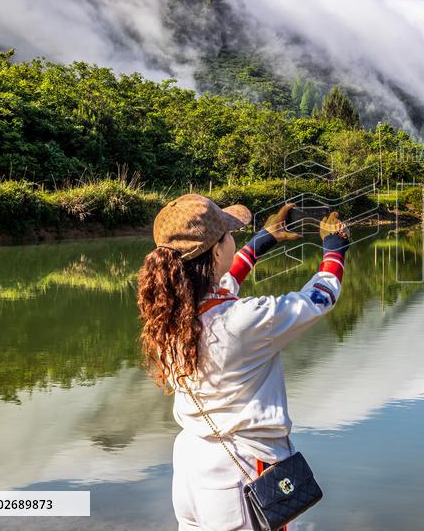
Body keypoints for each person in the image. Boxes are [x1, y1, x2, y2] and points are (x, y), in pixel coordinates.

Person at [137, 195, 350, 531]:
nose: (233, 240)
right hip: (242, 471)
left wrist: (264, 241)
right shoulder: (244, 321)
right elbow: (319, 298)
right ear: (217, 251)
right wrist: (335, 248)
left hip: (193, 463)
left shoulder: (170, 314)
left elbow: (225, 284)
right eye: (228, 235)